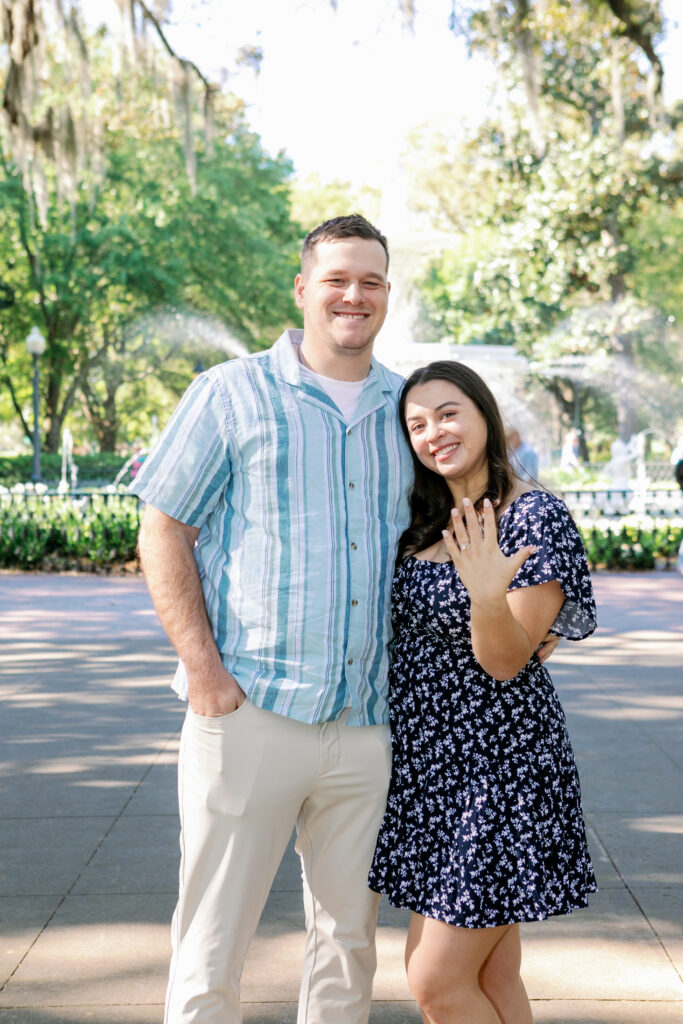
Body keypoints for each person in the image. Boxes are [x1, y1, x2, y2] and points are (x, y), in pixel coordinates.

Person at [131, 214, 415, 1023]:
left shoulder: (407, 406)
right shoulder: (230, 392)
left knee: (347, 941)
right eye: (335, 279)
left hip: (365, 722)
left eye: (369, 280)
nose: (352, 295)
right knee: (213, 940)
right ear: (302, 289)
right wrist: (207, 676)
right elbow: (163, 526)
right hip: (249, 707)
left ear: (387, 294)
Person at [368, 360, 597, 1024]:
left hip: (499, 773)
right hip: (426, 773)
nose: (432, 432)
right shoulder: (425, 518)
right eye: (415, 424)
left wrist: (486, 594)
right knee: (493, 975)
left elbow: (504, 662)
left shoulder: (534, 516)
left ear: (482, 415)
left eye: (446, 413)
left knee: (435, 981)